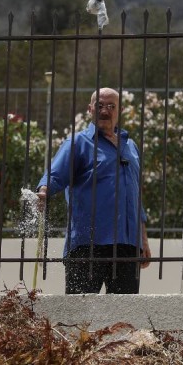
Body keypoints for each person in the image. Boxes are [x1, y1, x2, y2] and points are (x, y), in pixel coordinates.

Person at [36, 87, 151, 294]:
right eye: (99, 106)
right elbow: (56, 174)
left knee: (124, 316)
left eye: (110, 106)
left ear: (120, 110)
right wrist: (44, 190)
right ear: (90, 109)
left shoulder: (131, 146)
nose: (104, 111)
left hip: (126, 247)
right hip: (87, 245)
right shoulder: (78, 142)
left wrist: (143, 240)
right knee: (80, 316)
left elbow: (136, 195)